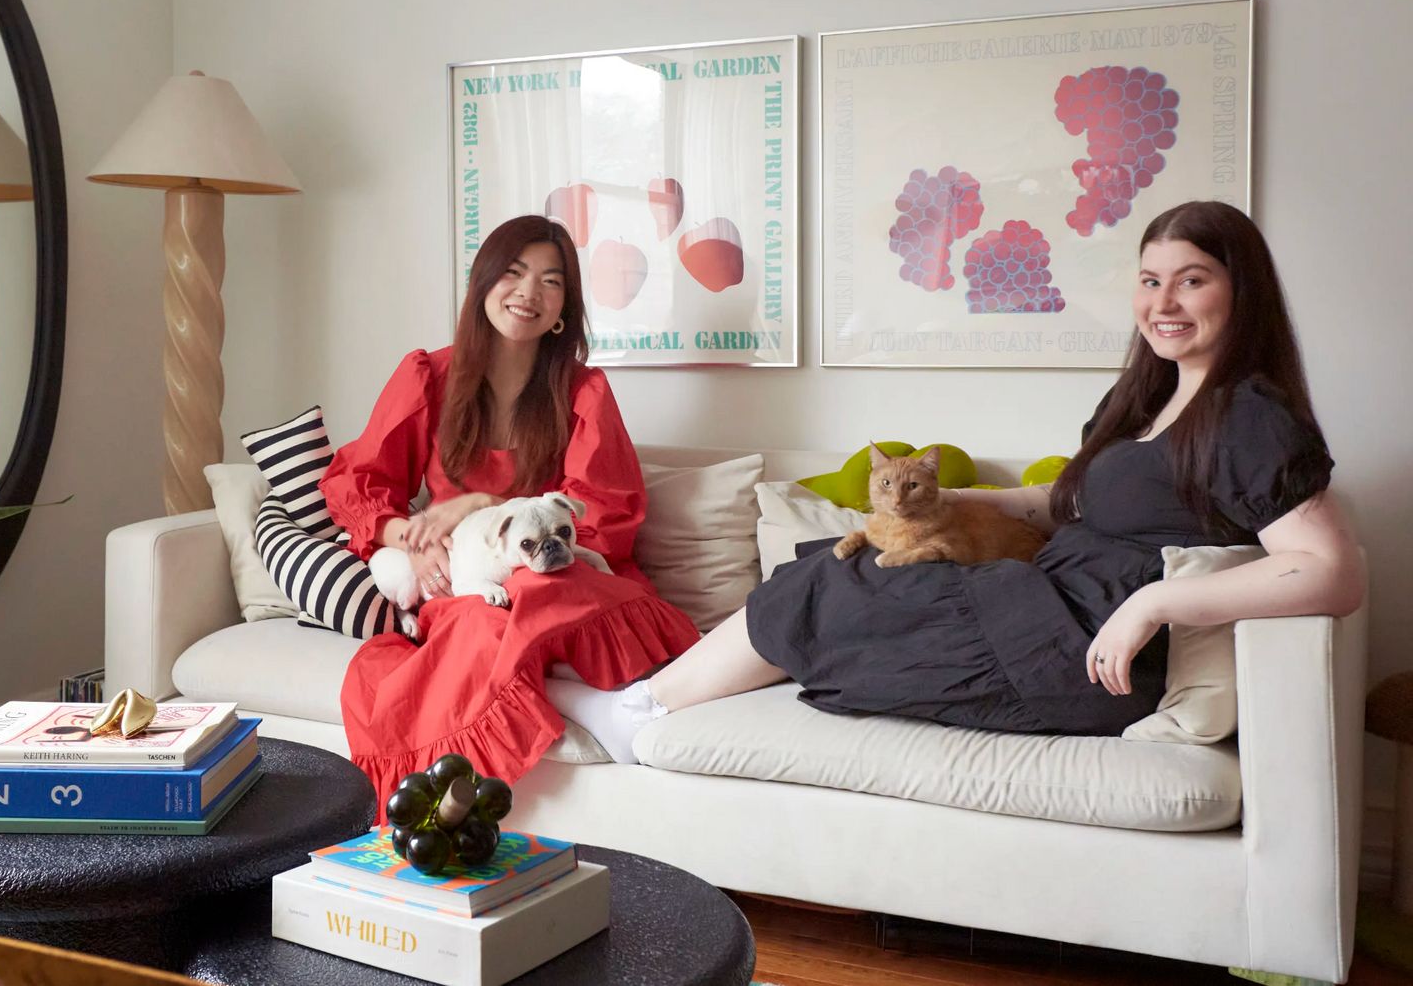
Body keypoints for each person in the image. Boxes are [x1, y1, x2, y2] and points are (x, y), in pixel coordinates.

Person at [553, 200, 1366, 759]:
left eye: (1192, 279)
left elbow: (1331, 570)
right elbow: (1062, 504)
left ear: (1239, 290)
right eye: (1150, 280)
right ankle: (647, 706)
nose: (1164, 302)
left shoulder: (1249, 415)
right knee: (832, 562)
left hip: (1080, 648)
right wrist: (946, 501)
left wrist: (1154, 602)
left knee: (833, 586)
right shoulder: (1150, 397)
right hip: (1044, 601)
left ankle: (639, 713)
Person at [320, 215, 699, 806]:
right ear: (483, 281)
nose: (529, 293)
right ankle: (449, 792)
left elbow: (602, 516)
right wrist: (411, 543)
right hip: (469, 575)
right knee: (479, 618)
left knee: (547, 590)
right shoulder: (427, 377)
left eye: (551, 282)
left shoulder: (583, 391)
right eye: (515, 273)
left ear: (562, 311)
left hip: (555, 574)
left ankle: (583, 702)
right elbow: (358, 481)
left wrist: (486, 506)